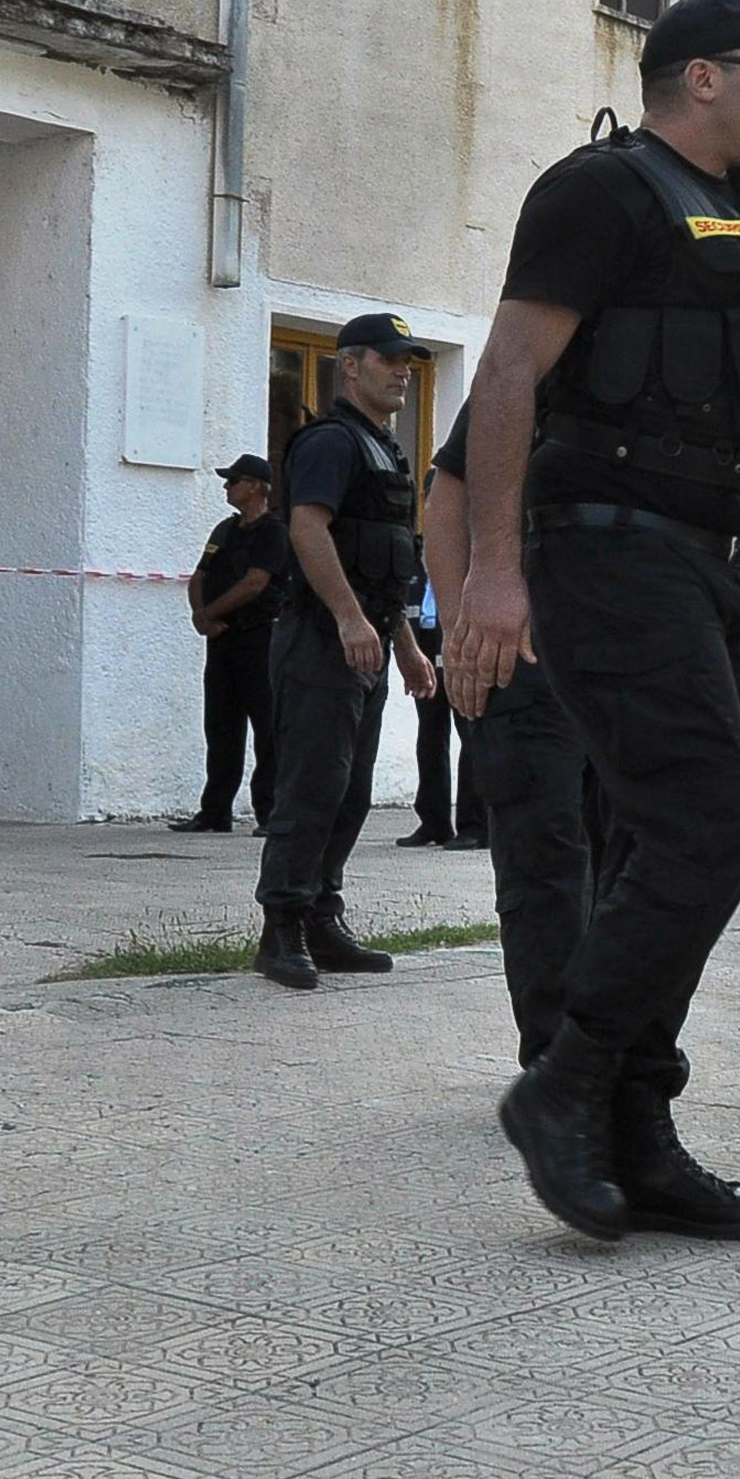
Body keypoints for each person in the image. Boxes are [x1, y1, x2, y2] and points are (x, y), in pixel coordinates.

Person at [447, 0, 740, 1244]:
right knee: (711, 822)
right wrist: (494, 571)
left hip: (719, 565)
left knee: (661, 844)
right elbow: (505, 374)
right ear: (701, 78)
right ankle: (562, 1085)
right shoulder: (602, 190)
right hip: (610, 554)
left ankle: (636, 1132)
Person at [257, 313, 437, 988]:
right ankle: (280, 929)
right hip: (319, 641)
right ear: (350, 366)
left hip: (363, 644)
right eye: (389, 360)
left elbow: (380, 564)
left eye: (409, 363)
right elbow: (308, 530)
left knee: (349, 791)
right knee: (311, 787)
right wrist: (346, 619)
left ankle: (321, 918)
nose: (402, 371)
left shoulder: (382, 448)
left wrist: (406, 644)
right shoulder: (331, 442)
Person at [427, 395, 608, 1066]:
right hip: (527, 657)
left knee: (626, 862)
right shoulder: (528, 372)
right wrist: (458, 632)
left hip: (628, 660)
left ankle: (612, 1053)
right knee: (546, 866)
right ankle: (557, 1063)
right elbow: (448, 494)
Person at [171, 453, 287, 834]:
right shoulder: (225, 529)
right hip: (222, 640)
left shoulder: (273, 531)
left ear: (255, 486)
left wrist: (212, 613)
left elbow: (256, 582)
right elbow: (200, 574)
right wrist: (201, 614)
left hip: (259, 638)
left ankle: (269, 812)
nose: (226, 486)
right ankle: (215, 810)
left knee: (267, 727)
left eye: (233, 480)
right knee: (220, 726)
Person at [395, 560, 485, 851]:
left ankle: (475, 824)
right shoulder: (416, 567)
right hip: (426, 651)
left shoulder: (465, 562)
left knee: (470, 737)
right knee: (430, 737)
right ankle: (433, 821)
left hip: (461, 654)